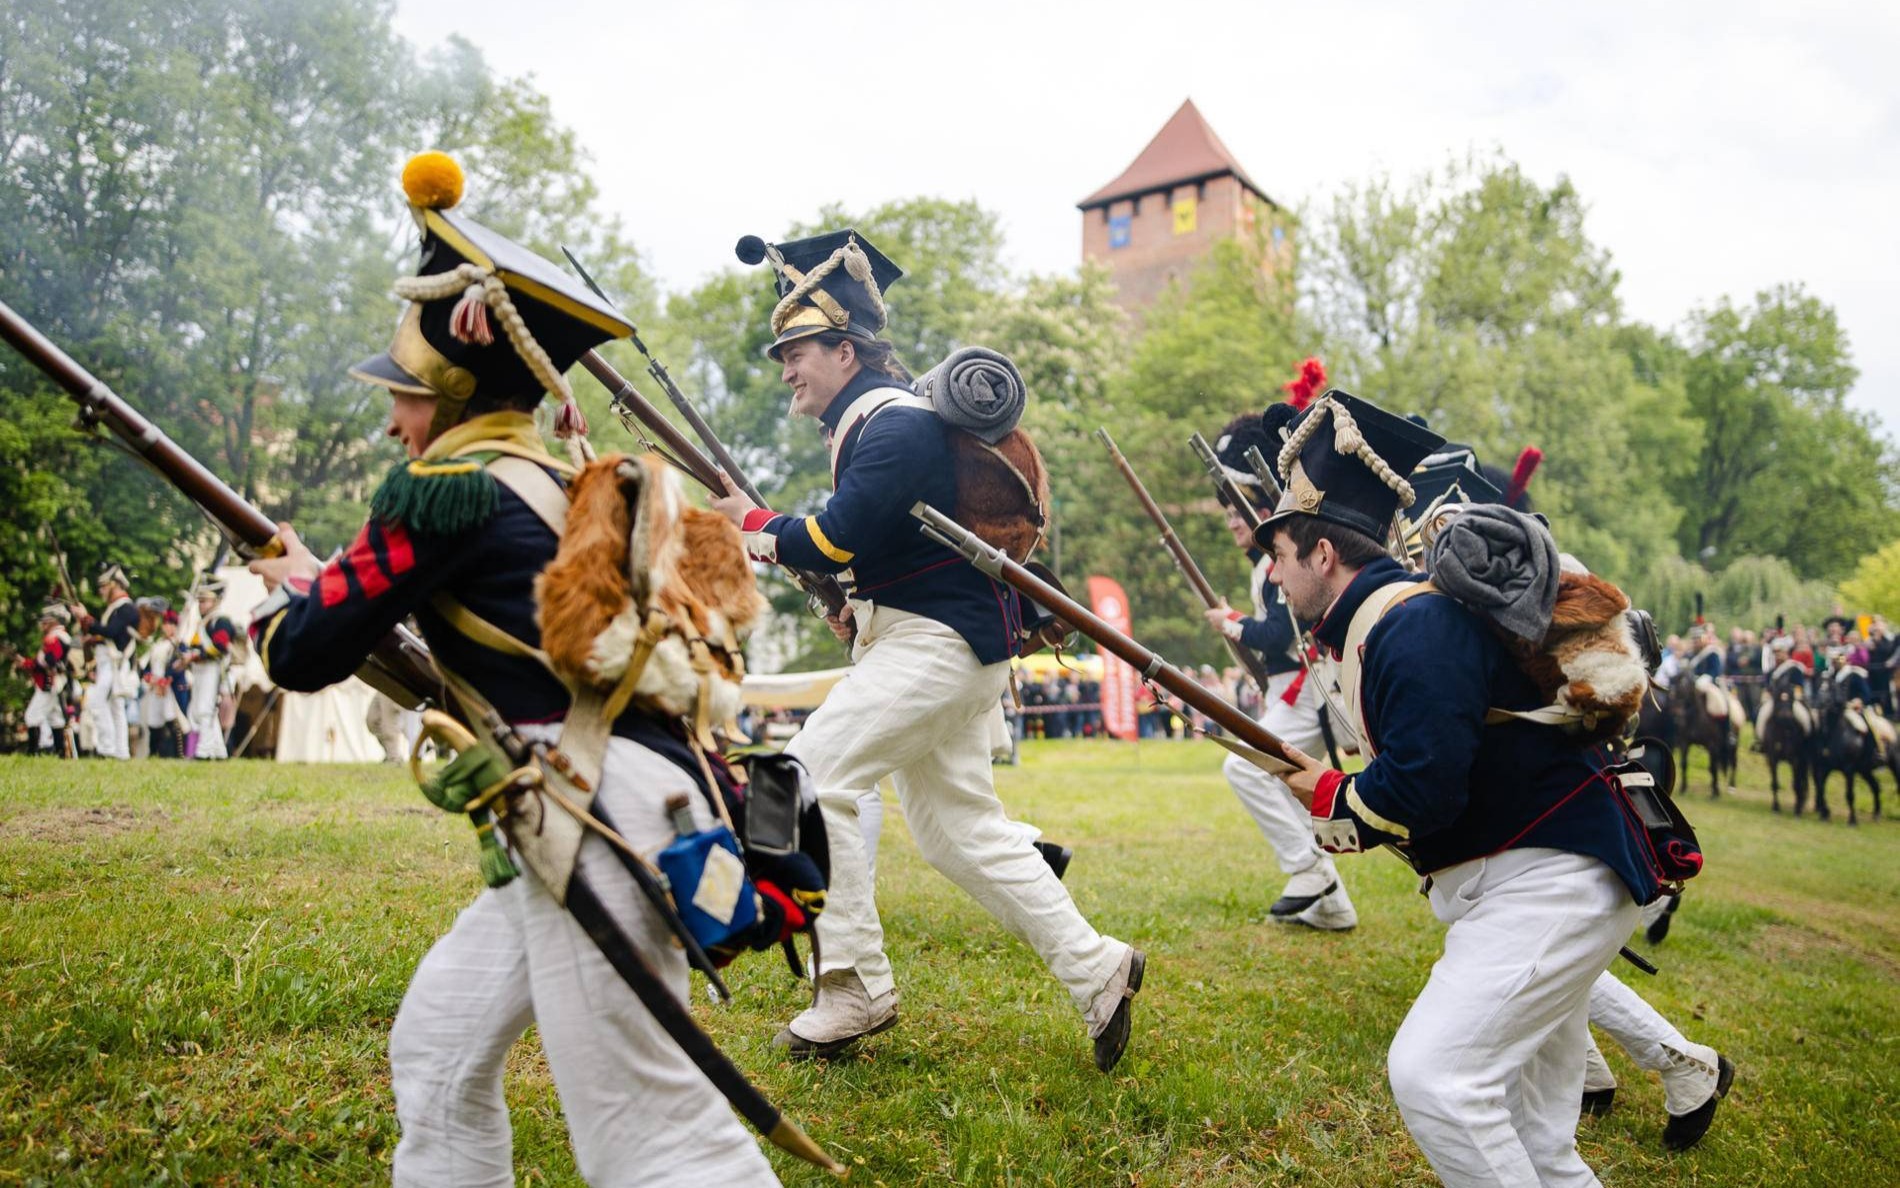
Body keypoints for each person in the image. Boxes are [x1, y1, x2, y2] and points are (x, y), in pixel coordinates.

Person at [245, 154, 779, 1186]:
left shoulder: (442, 489)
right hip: (615, 803)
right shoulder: (551, 477)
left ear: (444, 387)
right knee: (438, 1053)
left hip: (587, 813)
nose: (394, 418)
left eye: (402, 394)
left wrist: (292, 591)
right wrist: (321, 581)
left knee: (655, 1137)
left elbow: (301, 654)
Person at [713, 228, 1143, 1071]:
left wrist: (753, 528)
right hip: (933, 640)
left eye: (796, 350)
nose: (786, 368)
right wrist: (851, 595)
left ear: (845, 348)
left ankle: (854, 988)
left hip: (935, 645)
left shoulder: (893, 424)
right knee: (957, 832)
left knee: (797, 782)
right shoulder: (878, 425)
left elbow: (834, 539)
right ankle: (1098, 968)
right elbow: (876, 548)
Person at [1265, 389, 1656, 1187]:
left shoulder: (1408, 624)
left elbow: (1424, 787)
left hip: (1552, 878)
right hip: (1531, 875)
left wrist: (1334, 797)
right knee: (1543, 1145)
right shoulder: (1385, 621)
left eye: (1280, 551)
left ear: (1323, 554)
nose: (1271, 572)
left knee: (1434, 1078)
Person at [1201, 406, 1356, 930]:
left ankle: (1309, 869)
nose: (1232, 521)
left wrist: (1235, 626)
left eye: (1239, 511)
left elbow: (1285, 633)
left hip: (1314, 688)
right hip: (1301, 689)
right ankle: (1330, 902)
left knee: (1245, 766)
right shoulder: (1270, 564)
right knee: (1280, 778)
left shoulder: (1283, 561)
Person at [72, 563, 138, 760]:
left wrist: (87, 619)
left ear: (115, 585)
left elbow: (110, 632)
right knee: (115, 709)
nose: (101, 591)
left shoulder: (125, 608)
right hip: (109, 664)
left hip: (115, 664)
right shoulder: (117, 609)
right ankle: (120, 752)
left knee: (97, 703)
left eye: (104, 586)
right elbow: (107, 634)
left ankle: (107, 749)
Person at [179, 577, 238, 760]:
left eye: (204, 601)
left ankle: (203, 752)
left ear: (215, 601)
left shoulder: (220, 621)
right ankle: (218, 751)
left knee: (205, 710)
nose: (201, 605)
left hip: (214, 670)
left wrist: (196, 655)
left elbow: (220, 648)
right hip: (202, 670)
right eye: (200, 601)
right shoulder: (204, 623)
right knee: (202, 711)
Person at [20, 604, 75, 755]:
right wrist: (28, 663)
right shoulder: (60, 637)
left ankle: (33, 752)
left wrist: (34, 665)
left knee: (32, 716)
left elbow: (51, 661)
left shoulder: (54, 638)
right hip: (55, 681)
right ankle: (61, 752)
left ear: (54, 621)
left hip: (50, 682)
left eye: (46, 621)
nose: (43, 624)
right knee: (55, 718)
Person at [136, 600, 184, 759]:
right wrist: (151, 679)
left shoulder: (178, 644)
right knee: (154, 721)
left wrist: (165, 681)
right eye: (166, 624)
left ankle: (179, 754)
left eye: (171, 624)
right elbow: (147, 665)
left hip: (170, 688)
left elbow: (178, 666)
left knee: (173, 720)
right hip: (155, 687)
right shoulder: (157, 645)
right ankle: (153, 753)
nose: (167, 627)